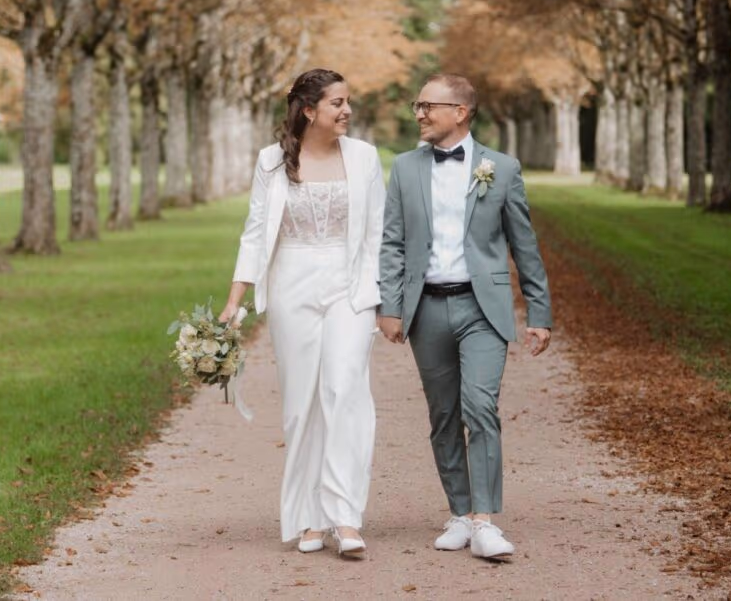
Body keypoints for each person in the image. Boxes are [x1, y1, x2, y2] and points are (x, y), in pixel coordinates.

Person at [377, 73, 553, 561]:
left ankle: (484, 521)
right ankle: (459, 511)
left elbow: (525, 244)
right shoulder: (405, 168)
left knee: (479, 406)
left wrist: (539, 311)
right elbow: (392, 242)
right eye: (417, 104)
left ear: (460, 111)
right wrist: (389, 306)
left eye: (428, 105)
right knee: (443, 416)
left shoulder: (502, 167)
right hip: (426, 308)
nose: (419, 113)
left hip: (484, 309)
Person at [219, 68, 385, 558]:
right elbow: (254, 233)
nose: (347, 111)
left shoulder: (365, 157)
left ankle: (345, 517)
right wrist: (235, 300)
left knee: (344, 388)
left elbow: (377, 233)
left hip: (351, 288)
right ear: (308, 110)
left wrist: (381, 299)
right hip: (292, 286)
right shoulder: (271, 161)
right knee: (301, 404)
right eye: (337, 103)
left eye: (348, 101)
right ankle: (307, 518)